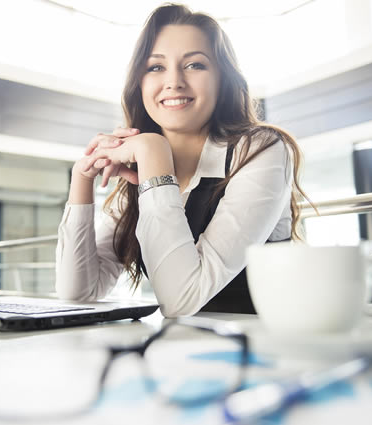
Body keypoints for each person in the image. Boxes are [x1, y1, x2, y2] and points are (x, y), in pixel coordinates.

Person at [55, 3, 311, 317]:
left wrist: (152, 152)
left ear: (222, 79)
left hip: (264, 352)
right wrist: (82, 180)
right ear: (140, 83)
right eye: (155, 67)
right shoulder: (144, 171)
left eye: (194, 65)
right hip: (184, 353)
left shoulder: (260, 149)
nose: (174, 81)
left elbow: (181, 301)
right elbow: (78, 292)